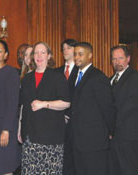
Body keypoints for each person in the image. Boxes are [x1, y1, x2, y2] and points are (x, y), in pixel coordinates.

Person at [20, 41, 70, 174]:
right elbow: (23, 105)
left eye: (43, 52)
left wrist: (44, 104)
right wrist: (20, 128)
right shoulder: (27, 78)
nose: (39, 55)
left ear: (49, 56)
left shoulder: (57, 77)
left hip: (51, 137)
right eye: (36, 52)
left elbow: (66, 103)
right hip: (30, 136)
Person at [71, 42, 115, 175]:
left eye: (80, 54)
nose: (77, 57)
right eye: (75, 54)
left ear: (90, 55)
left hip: (94, 142)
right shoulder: (74, 76)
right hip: (77, 141)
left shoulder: (98, 77)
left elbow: (107, 108)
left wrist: (111, 131)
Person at [0, 39, 21, 175]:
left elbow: (12, 103)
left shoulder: (11, 73)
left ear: (6, 55)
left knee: (5, 167)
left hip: (4, 126)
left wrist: (6, 129)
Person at [109, 45, 138, 175]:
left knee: (129, 169)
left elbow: (128, 106)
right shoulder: (110, 79)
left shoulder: (134, 78)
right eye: (114, 58)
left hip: (128, 136)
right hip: (114, 138)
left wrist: (112, 127)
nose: (117, 62)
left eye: (120, 58)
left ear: (128, 59)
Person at [56, 39, 78, 175]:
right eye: (63, 48)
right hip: (58, 121)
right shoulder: (57, 72)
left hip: (75, 122)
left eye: (68, 48)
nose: (65, 51)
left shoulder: (81, 71)